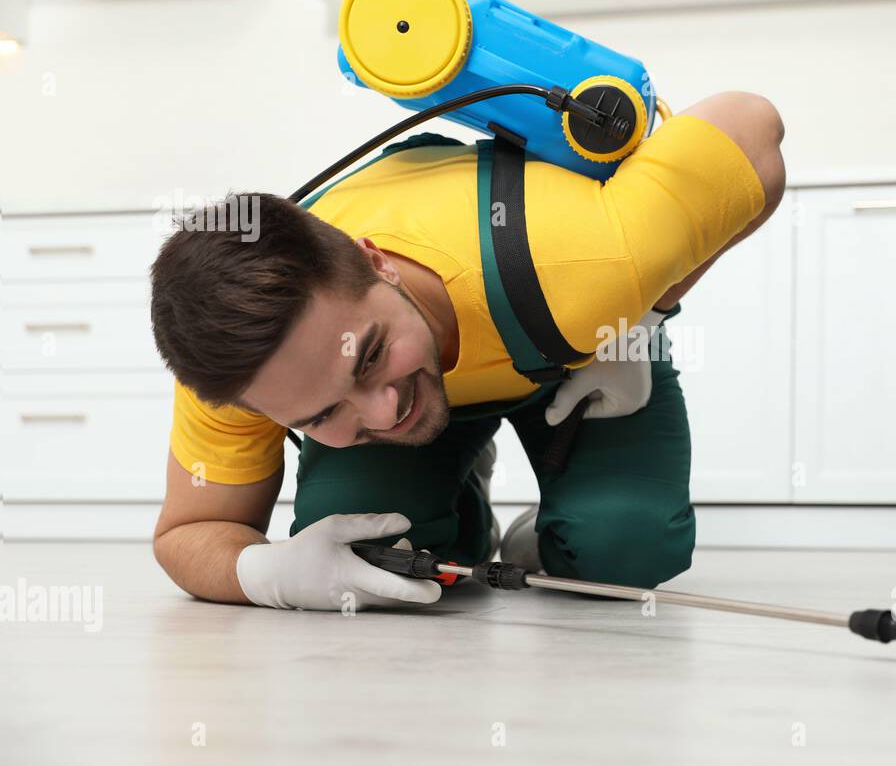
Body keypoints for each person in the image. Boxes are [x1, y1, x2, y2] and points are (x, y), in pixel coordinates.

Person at [149, 92, 785, 611]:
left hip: (573, 347)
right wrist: (271, 576)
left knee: (622, 553)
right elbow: (186, 533)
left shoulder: (582, 255)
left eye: (368, 358)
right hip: (499, 342)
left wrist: (640, 317)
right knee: (381, 561)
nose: (381, 414)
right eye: (319, 416)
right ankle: (459, 494)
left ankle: (553, 524)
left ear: (376, 264)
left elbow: (753, 133)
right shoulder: (235, 364)